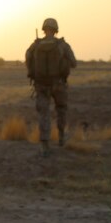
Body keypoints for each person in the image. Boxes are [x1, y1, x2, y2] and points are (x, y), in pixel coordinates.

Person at [25, 17, 77, 154]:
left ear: (43, 29)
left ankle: (44, 144)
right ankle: (61, 138)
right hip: (58, 84)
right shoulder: (62, 45)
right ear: (56, 30)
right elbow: (74, 63)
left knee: (44, 113)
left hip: (41, 85)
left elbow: (28, 58)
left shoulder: (35, 45)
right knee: (61, 110)